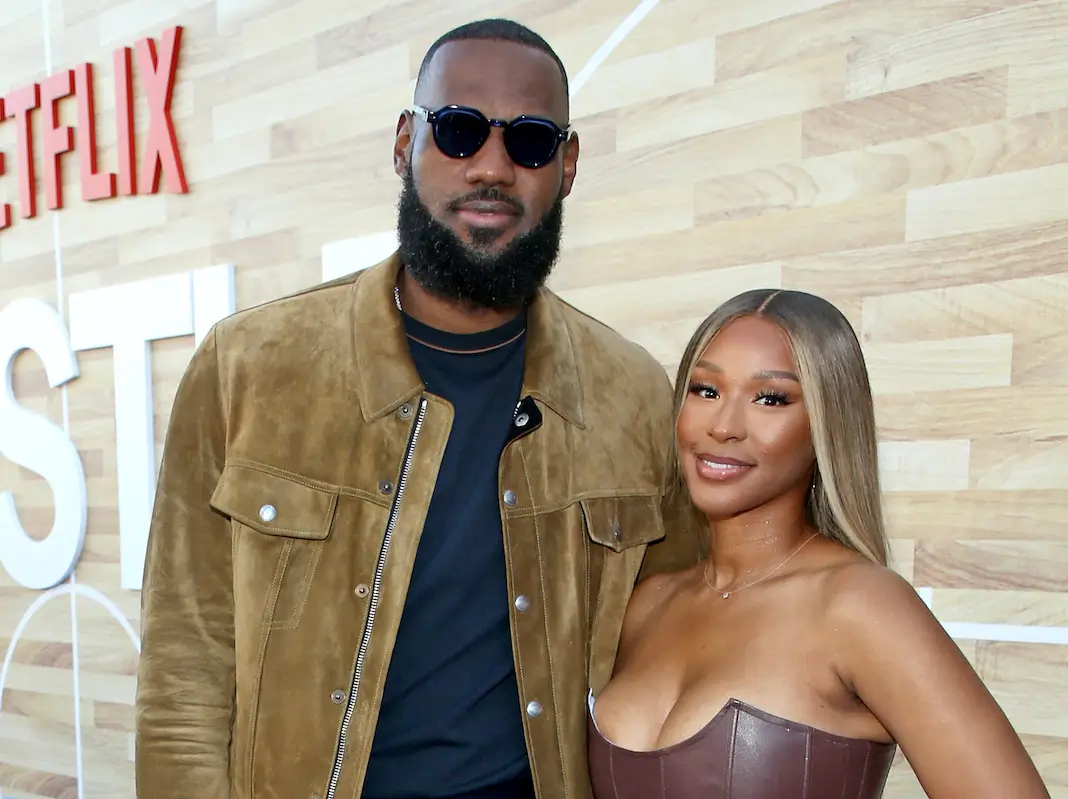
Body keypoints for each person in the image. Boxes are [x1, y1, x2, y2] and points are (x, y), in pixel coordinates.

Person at [134, 17, 703, 799]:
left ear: (567, 166)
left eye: (531, 142)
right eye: (460, 132)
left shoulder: (630, 394)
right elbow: (182, 679)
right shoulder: (248, 367)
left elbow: (685, 644)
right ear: (405, 143)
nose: (492, 168)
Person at [586, 289, 1050, 799]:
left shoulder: (862, 606)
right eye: (705, 390)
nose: (723, 426)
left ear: (826, 424)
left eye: (771, 399)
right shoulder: (648, 603)